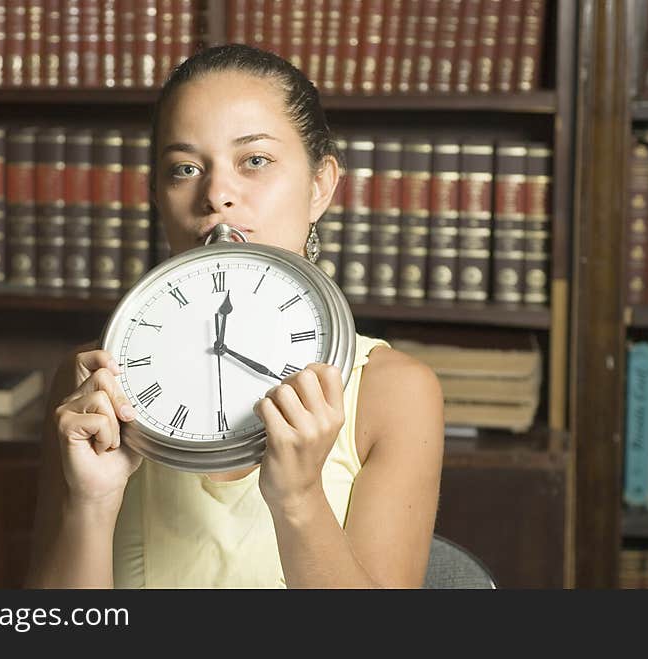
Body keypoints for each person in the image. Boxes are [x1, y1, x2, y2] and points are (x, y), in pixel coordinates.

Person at [25, 44, 444, 589]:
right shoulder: (92, 390)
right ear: (157, 195)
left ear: (320, 185)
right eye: (185, 168)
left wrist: (298, 499)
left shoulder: (395, 394)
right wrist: (91, 503)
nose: (217, 194)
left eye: (255, 161)